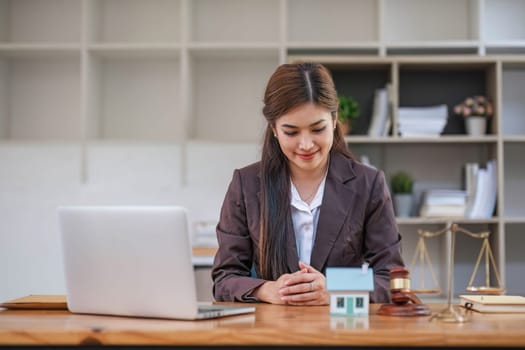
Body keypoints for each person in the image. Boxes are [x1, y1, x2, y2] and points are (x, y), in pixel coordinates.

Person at [212, 62, 404, 305]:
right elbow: (224, 278)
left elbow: (391, 279)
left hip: (342, 331)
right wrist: (266, 290)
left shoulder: (368, 184)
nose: (306, 144)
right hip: (270, 335)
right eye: (291, 132)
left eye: (317, 129)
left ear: (334, 121)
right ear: (274, 128)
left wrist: (333, 289)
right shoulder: (247, 184)